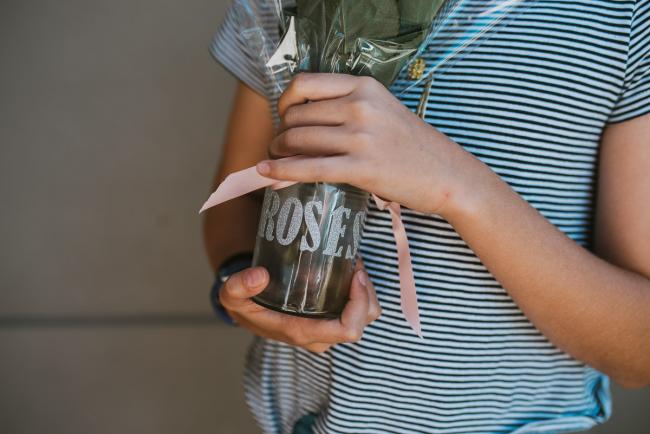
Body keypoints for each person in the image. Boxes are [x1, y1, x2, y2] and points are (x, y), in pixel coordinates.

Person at [203, 0, 650, 433]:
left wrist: (455, 184)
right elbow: (235, 200)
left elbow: (639, 349)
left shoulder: (625, 16)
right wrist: (244, 282)